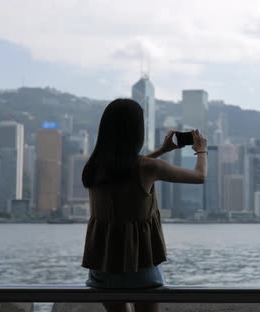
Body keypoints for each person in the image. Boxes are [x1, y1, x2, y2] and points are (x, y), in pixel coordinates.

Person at [81, 98, 207, 312]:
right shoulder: (148, 167)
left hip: (102, 269)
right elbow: (199, 176)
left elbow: (127, 170)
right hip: (140, 266)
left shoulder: (94, 167)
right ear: (137, 131)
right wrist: (201, 150)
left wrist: (160, 150)